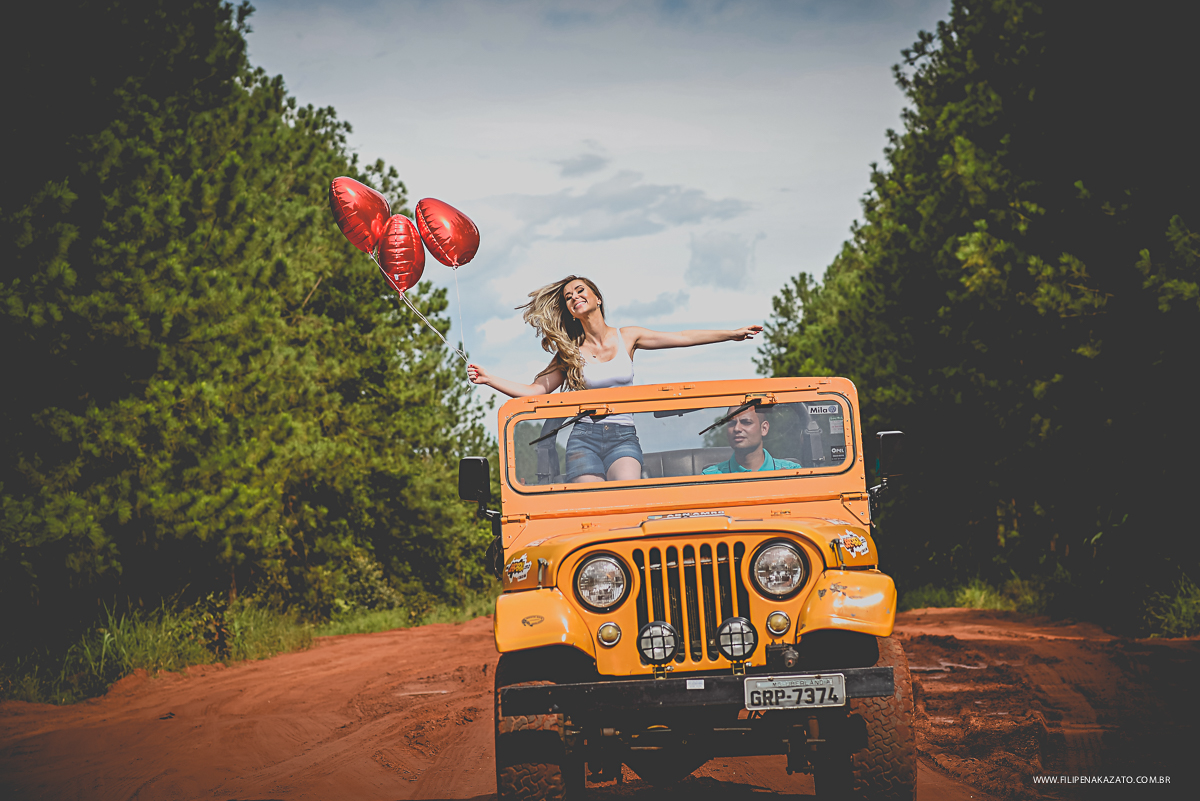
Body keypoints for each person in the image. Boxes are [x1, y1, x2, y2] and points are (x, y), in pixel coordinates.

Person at [467, 275, 762, 483]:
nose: (574, 298)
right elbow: (534, 392)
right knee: (592, 508)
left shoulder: (628, 336)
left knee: (625, 495)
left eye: (580, 291)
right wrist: (489, 378)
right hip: (584, 438)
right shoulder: (570, 351)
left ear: (596, 297)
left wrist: (731, 334)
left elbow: (682, 336)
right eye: (568, 298)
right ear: (569, 311)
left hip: (623, 435)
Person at [702, 406, 802, 474]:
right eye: (731, 423)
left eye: (746, 422)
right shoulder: (710, 477)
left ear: (764, 428)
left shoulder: (792, 472)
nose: (737, 428)